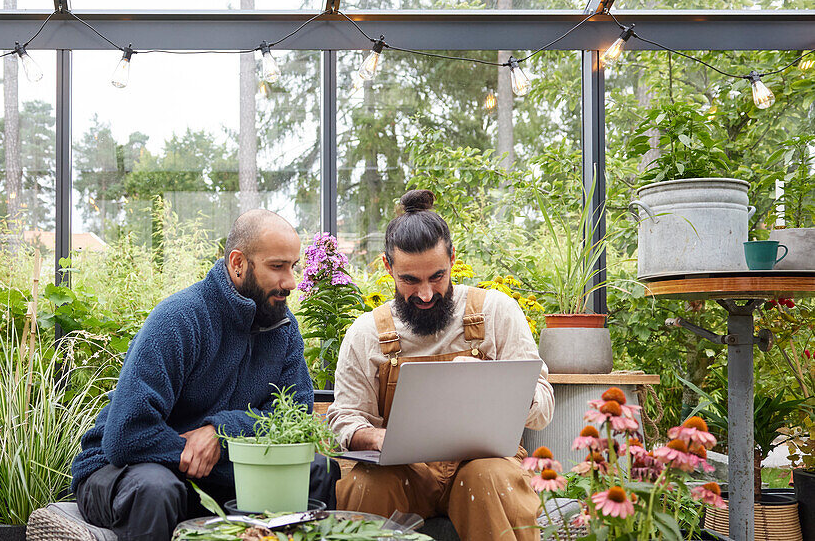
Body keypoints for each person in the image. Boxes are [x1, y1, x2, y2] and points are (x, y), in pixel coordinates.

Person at [70, 209, 338, 541]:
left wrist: (221, 433)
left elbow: (295, 418)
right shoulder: (178, 320)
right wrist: (198, 448)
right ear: (238, 263)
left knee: (317, 469)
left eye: (293, 266)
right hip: (120, 469)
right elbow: (126, 435)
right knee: (159, 488)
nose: (290, 282)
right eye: (277, 266)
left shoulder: (283, 329)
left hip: (215, 470)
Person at [326, 189, 553, 541]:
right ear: (388, 267)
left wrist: (496, 387)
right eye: (410, 280)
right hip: (405, 472)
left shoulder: (496, 311)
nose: (427, 293)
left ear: (452, 258)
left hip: (484, 466)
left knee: (489, 477)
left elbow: (543, 407)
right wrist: (373, 436)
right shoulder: (367, 333)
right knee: (362, 484)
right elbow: (345, 417)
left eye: (437, 276)